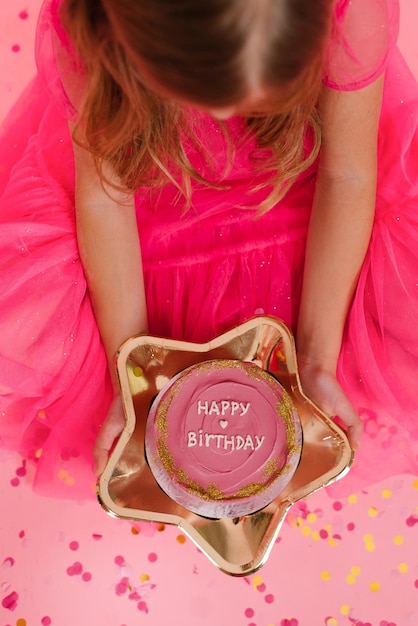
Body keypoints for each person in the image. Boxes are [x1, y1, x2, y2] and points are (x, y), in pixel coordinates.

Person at [0, 0, 417, 500]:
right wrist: (134, 372)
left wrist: (314, 360)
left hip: (300, 175)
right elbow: (106, 197)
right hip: (156, 183)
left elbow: (347, 174)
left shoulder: (353, 11)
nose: (221, 115)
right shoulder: (90, 21)